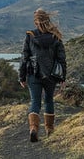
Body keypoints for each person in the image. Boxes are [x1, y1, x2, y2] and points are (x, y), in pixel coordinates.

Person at [19, 8, 67, 142]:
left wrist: (22, 77)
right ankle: (49, 129)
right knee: (49, 100)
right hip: (51, 75)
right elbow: (61, 58)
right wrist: (63, 77)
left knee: (35, 101)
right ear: (48, 20)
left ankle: (33, 128)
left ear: (36, 22)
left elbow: (24, 57)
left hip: (33, 73)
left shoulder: (30, 35)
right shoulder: (56, 36)